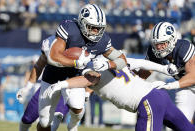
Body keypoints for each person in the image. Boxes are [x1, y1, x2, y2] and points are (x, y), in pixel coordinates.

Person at [20, 3, 127, 131]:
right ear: (82, 22)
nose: (96, 32)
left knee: (77, 105)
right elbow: (53, 57)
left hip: (75, 76)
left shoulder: (103, 41)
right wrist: (76, 62)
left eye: (99, 28)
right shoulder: (70, 29)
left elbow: (122, 60)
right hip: (53, 74)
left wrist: (109, 64)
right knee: (44, 121)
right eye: (92, 27)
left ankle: (74, 124)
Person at [45, 56, 195, 131]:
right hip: (158, 96)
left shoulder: (92, 70)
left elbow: (91, 78)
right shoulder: (115, 60)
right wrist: (163, 69)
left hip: (148, 102)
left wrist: (62, 84)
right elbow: (142, 63)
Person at [142, 22, 195, 123]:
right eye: (156, 44)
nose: (158, 47)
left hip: (186, 82)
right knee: (182, 122)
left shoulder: (183, 47)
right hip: (185, 88)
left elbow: (193, 77)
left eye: (162, 43)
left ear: (172, 40)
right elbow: (143, 74)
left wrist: (169, 86)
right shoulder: (153, 52)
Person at [16, 38, 69, 131]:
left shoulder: (84, 47)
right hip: (47, 85)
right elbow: (39, 65)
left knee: (53, 121)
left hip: (67, 88)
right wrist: (27, 88)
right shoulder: (51, 42)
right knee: (27, 119)